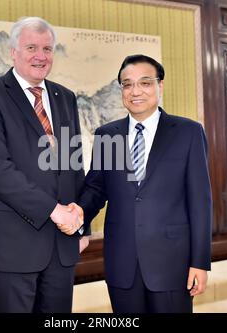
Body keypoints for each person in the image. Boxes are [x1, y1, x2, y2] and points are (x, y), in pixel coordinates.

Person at [64, 54, 212, 313]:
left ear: (159, 86)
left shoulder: (188, 132)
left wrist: (199, 262)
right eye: (127, 84)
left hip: (172, 263)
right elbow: (97, 188)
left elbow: (200, 201)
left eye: (145, 83)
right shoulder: (107, 135)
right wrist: (80, 212)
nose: (135, 91)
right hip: (122, 263)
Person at [0, 16, 89, 313]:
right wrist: (54, 210)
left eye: (47, 49)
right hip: (11, 247)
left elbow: (73, 166)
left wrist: (82, 224)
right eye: (31, 47)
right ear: (13, 52)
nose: (41, 56)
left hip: (62, 248)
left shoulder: (66, 98)